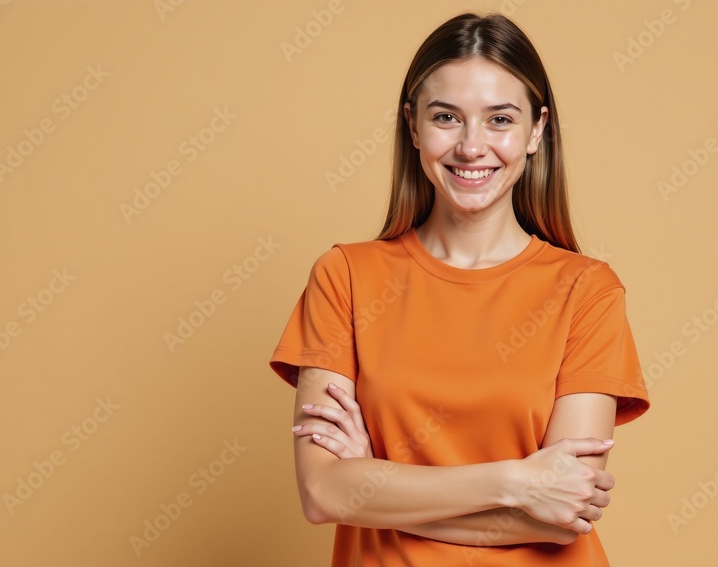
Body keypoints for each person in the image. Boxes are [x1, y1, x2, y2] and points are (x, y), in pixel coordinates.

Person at [269, 12, 650, 566]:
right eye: (446, 117)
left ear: (536, 131)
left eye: (500, 119)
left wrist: (375, 484)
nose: (472, 147)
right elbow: (323, 493)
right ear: (413, 125)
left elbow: (566, 515)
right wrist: (518, 482)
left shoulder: (586, 291)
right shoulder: (345, 277)